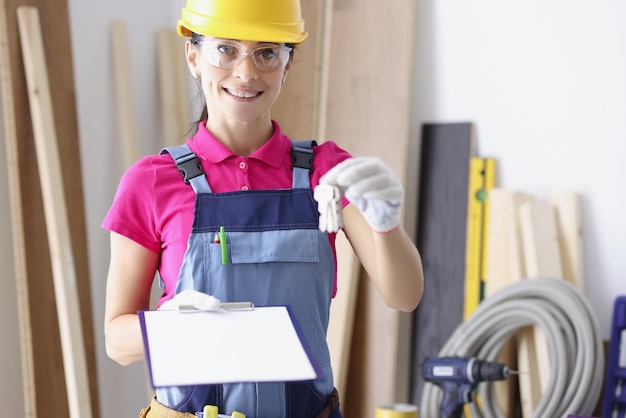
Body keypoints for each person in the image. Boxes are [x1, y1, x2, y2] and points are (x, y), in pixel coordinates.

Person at [102, 0, 424, 417]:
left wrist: (386, 225)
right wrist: (171, 328)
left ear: (287, 65)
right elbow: (116, 341)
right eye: (226, 49)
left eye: (267, 52)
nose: (246, 72)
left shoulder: (326, 173)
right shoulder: (151, 182)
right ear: (193, 55)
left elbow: (405, 296)